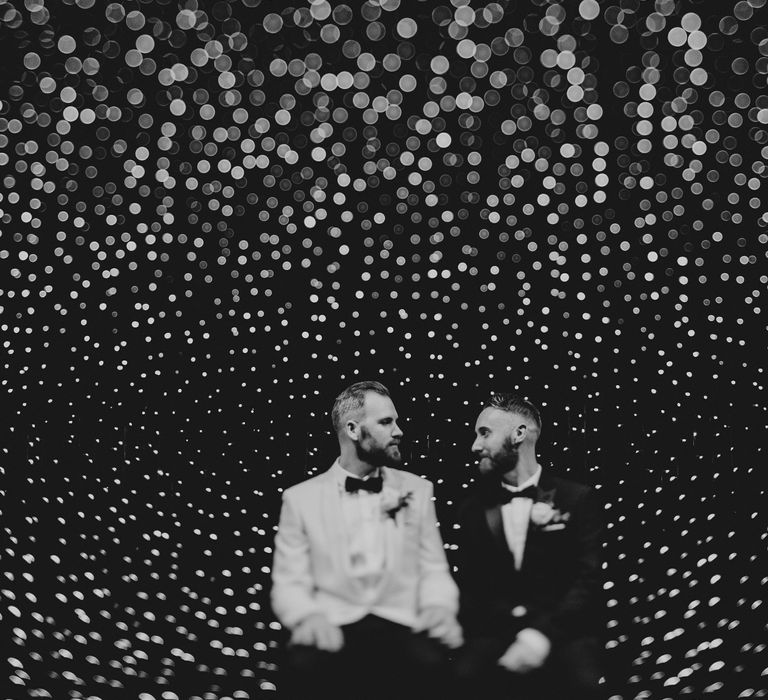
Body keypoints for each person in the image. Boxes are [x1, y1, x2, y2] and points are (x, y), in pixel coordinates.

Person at [271, 381, 462, 699]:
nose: (398, 431)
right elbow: (289, 581)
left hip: (401, 624)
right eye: (387, 422)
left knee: (438, 664)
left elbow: (433, 569)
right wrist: (309, 616)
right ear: (353, 429)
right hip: (336, 624)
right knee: (302, 665)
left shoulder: (417, 490)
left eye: (396, 421)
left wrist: (439, 608)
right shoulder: (299, 498)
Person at [453, 393, 604, 699]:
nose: (475, 446)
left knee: (583, 684)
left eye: (484, 433)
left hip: (561, 633)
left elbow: (588, 579)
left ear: (519, 434)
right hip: (494, 634)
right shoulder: (471, 510)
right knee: (459, 680)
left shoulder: (576, 498)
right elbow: (470, 588)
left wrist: (540, 636)